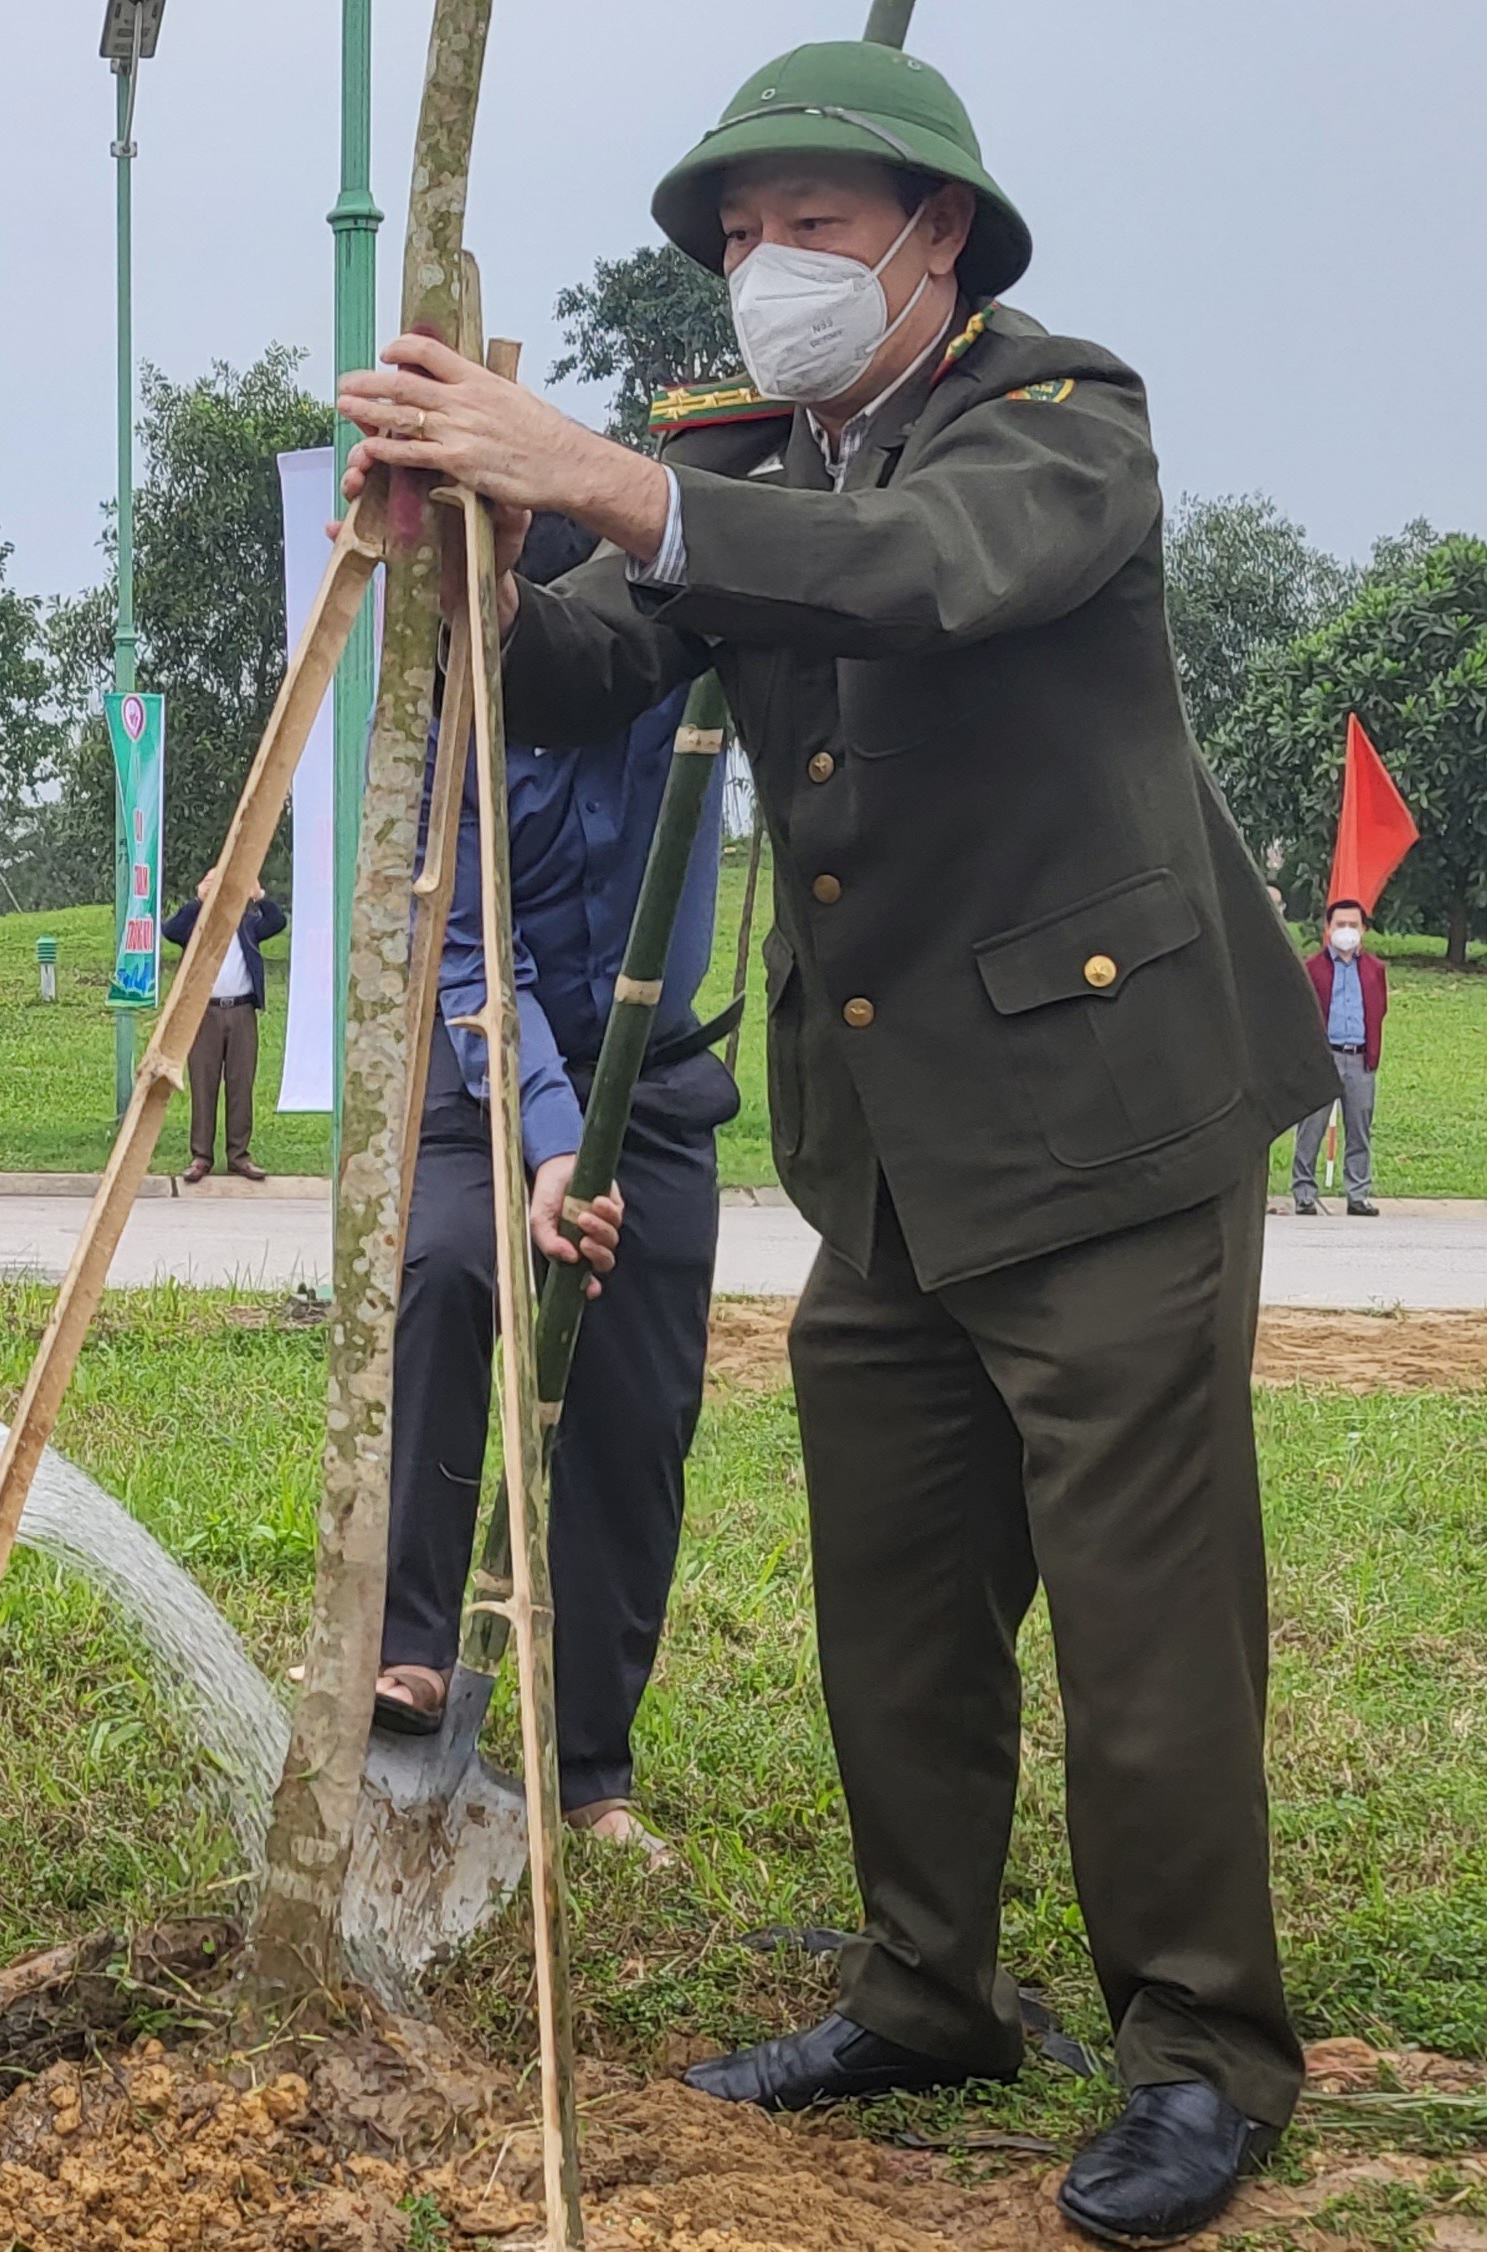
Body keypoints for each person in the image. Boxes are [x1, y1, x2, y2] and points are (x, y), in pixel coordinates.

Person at [340, 40, 1330, 2246]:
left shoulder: (1061, 423)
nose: (763, 268)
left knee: (1141, 1610)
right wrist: (482, 560)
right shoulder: (753, 455)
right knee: (894, 1591)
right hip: (887, 1143)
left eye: (808, 224)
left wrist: (596, 472)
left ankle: (1200, 2042)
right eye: (737, 235)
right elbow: (605, 656)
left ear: (933, 239)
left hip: (1109, 1121)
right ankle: (928, 1987)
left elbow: (923, 574)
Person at [375, 512, 724, 1861]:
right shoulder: (449, 718)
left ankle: (588, 1766)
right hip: (484, 1072)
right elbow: (472, 948)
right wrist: (548, 1139)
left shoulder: (680, 690)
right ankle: (411, 1652)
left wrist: (601, 1137)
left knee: (634, 1409)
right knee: (450, 1268)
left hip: (656, 1076)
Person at [164, 875, 286, 1181]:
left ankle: (239, 1156)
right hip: (205, 1013)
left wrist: (258, 893)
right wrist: (198, 901)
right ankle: (201, 1156)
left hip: (242, 1011)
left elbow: (277, 922)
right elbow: (171, 930)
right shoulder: (197, 926)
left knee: (240, 1085)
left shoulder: (247, 925)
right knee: (203, 1084)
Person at [1292, 898, 1386, 1216]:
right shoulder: (1313, 968)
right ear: (1328, 929)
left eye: (1353, 925)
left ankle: (1357, 1193)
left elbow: (1378, 1010)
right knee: (1311, 1127)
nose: (1346, 931)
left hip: (1360, 1058)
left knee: (1359, 1127)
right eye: (1340, 925)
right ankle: (1304, 1192)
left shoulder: (1374, 970)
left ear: (1363, 929)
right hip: (1325, 1057)